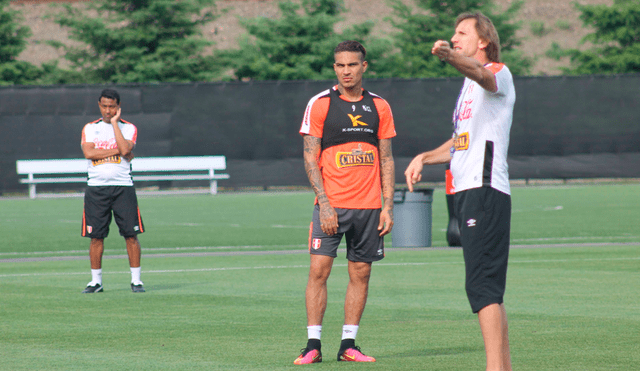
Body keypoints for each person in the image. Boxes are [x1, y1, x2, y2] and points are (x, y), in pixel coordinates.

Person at [404, 12, 515, 371]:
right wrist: (424, 156)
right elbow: (460, 143)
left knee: (482, 288)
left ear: (482, 41)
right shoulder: (467, 88)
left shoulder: (497, 72)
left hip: (485, 190)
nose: (454, 37)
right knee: (487, 290)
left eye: (462, 33)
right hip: (467, 191)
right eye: (454, 34)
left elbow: (482, 74)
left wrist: (451, 58)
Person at [294, 40, 396, 364]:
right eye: (340, 65)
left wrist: (388, 206)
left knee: (361, 273)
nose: (346, 71)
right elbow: (310, 157)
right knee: (318, 271)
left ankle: (348, 345)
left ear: (364, 66)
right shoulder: (321, 104)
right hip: (332, 205)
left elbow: (387, 159)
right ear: (334, 67)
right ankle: (313, 344)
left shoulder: (379, 106)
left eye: (352, 65)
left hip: (369, 208)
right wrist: (323, 202)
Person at [80, 88, 146, 294]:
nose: (107, 111)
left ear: (118, 107)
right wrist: (120, 150)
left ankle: (136, 280)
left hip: (123, 187)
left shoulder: (128, 128)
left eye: (112, 106)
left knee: (130, 234)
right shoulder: (90, 128)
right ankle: (96, 281)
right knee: (96, 237)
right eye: (104, 106)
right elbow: (89, 153)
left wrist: (116, 124)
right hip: (96, 188)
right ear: (99, 105)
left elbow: (127, 148)